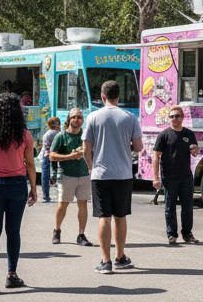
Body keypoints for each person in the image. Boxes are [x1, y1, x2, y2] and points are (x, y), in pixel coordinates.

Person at [0, 93, 37, 292]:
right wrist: (34, 189)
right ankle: (12, 274)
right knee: (13, 231)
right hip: (18, 184)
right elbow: (30, 164)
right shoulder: (24, 135)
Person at [83, 80, 143, 274]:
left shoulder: (93, 117)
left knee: (104, 216)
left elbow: (86, 148)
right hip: (123, 173)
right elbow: (139, 147)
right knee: (120, 216)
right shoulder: (130, 117)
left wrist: (91, 167)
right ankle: (120, 256)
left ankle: (105, 261)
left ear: (102, 96)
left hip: (100, 173)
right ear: (119, 96)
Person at [152, 105, 200, 245]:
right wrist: (156, 178)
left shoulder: (189, 134)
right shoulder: (164, 135)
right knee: (170, 207)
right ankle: (172, 234)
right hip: (169, 177)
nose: (174, 119)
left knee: (187, 206)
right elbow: (156, 157)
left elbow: (195, 153)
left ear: (182, 117)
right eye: (171, 116)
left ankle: (187, 234)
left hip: (185, 176)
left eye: (177, 116)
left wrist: (195, 150)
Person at [49, 108, 93, 246]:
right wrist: (70, 156)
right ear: (69, 119)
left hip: (84, 175)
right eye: (74, 117)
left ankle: (81, 235)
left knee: (83, 205)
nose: (77, 119)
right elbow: (52, 156)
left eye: (79, 117)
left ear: (82, 120)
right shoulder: (61, 136)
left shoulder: (86, 136)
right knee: (63, 205)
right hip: (66, 175)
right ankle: (57, 230)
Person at [39, 116, 62, 202]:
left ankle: (46, 195)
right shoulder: (60, 133)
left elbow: (45, 146)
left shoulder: (48, 133)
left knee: (45, 176)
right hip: (56, 155)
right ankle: (61, 193)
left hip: (45, 156)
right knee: (56, 173)